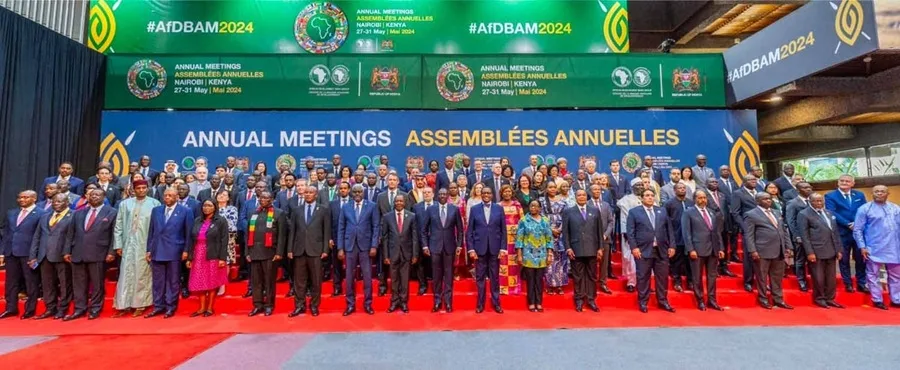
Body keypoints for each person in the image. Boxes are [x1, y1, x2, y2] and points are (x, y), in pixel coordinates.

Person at [65, 188, 117, 321]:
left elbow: (113, 235)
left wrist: (112, 252)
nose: (94, 197)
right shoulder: (78, 213)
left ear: (104, 197)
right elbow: (71, 234)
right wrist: (67, 251)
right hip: (78, 252)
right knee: (79, 284)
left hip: (99, 253)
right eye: (92, 194)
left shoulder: (111, 212)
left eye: (98, 195)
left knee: (97, 284)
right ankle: (79, 309)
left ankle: (95, 309)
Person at [112, 181, 161, 317]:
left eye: (143, 188)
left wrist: (152, 247)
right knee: (125, 274)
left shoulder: (154, 204)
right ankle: (123, 304)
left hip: (144, 244)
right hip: (128, 244)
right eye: (138, 188)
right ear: (133, 190)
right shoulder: (125, 204)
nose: (141, 190)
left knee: (142, 274)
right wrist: (118, 244)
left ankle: (140, 304)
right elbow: (119, 224)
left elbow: (156, 227)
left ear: (147, 189)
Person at [145, 188, 194, 318]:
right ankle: (158, 306)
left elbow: (188, 233)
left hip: (175, 250)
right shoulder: (156, 210)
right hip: (157, 250)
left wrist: (186, 251)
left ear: (177, 197)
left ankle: (171, 306)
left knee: (173, 281)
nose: (167, 197)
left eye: (171, 195)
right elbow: (152, 231)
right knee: (158, 281)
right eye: (166, 195)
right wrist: (149, 249)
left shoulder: (185, 211)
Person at [627, 188, 676, 313]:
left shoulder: (662, 211)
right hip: (643, 250)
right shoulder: (634, 212)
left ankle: (663, 301)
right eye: (647, 195)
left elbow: (669, 229)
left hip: (661, 250)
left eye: (651, 195)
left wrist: (672, 246)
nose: (649, 197)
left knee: (662, 277)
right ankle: (643, 302)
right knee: (643, 277)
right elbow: (630, 232)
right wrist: (634, 247)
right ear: (642, 198)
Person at [852, 185, 900, 309]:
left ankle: (896, 299)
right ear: (872, 193)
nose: (879, 193)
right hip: (873, 248)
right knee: (872, 275)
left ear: (887, 193)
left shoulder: (895, 208)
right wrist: (862, 246)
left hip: (894, 247)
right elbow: (857, 230)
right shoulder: (864, 209)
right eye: (876, 191)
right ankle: (877, 299)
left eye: (882, 191)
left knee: (896, 276)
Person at [29, 194, 75, 319]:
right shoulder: (45, 216)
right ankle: (50, 308)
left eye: (59, 201)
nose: (56, 203)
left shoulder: (74, 215)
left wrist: (68, 252)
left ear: (67, 202)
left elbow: (73, 237)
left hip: (62, 256)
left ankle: (63, 309)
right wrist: (33, 255)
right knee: (47, 284)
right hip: (44, 256)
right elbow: (37, 237)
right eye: (54, 201)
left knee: (65, 284)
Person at [744, 192, 794, 310]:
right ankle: (763, 299)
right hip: (762, 250)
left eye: (769, 198)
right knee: (762, 277)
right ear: (758, 201)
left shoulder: (776, 213)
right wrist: (752, 250)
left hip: (779, 250)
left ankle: (778, 299)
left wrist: (789, 246)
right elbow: (749, 235)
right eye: (765, 199)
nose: (768, 201)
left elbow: (783, 231)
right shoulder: (751, 214)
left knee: (777, 277)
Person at [0, 191, 45, 319]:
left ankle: (30, 309)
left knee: (31, 282)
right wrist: (2, 253)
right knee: (11, 282)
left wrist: (36, 254)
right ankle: (11, 308)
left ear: (34, 198)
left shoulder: (42, 213)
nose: (22, 199)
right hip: (11, 252)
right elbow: (6, 234)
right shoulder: (11, 212)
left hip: (29, 253)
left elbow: (40, 236)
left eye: (26, 197)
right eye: (20, 197)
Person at [288, 186, 331, 317]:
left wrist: (325, 249)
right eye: (306, 192)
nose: (308, 194)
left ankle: (314, 305)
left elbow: (326, 231)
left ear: (316, 194)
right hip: (299, 250)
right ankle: (299, 305)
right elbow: (292, 231)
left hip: (316, 250)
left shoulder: (323, 210)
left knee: (316, 280)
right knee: (299, 281)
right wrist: (290, 249)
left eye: (310, 192)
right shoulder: (296, 210)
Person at [338, 184, 380, 316]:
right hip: (349, 246)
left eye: (360, 192)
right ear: (351, 192)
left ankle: (368, 304)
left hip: (366, 246)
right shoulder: (345, 207)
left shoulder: (372, 206)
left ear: (364, 192)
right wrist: (340, 248)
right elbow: (341, 228)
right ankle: (350, 305)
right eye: (355, 191)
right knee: (349, 277)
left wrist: (374, 246)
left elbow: (376, 227)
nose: (357, 194)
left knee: (367, 277)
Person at [798, 193, 844, 309]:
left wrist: (838, 249)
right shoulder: (804, 214)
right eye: (816, 201)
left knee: (831, 277)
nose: (819, 203)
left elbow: (835, 233)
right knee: (818, 278)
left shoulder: (828, 213)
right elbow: (804, 236)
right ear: (810, 201)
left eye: (821, 201)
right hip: (816, 250)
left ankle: (830, 298)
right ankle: (820, 298)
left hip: (831, 250)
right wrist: (809, 252)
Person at [681, 189, 724, 311]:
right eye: (700, 198)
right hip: (697, 249)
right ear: (695, 199)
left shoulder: (711, 212)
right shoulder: (688, 213)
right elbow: (686, 233)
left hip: (713, 250)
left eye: (704, 197)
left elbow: (716, 232)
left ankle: (712, 300)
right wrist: (690, 249)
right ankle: (700, 300)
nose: (703, 200)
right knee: (697, 277)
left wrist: (720, 248)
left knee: (712, 277)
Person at [563, 189, 605, 312]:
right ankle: (579, 300)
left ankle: (591, 300)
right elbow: (565, 232)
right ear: (575, 197)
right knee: (578, 277)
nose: (581, 197)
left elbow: (599, 231)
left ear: (587, 197)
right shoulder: (568, 212)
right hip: (576, 249)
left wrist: (600, 248)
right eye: (579, 195)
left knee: (592, 276)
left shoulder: (595, 211)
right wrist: (568, 247)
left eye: (583, 195)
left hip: (592, 249)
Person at [246, 191, 287, 317]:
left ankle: (269, 305)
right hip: (254, 252)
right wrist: (247, 252)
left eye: (267, 197)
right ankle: (257, 305)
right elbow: (247, 234)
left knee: (269, 281)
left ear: (272, 199)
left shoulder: (279, 213)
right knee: (256, 281)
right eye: (261, 197)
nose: (263, 199)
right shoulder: (253, 213)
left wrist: (279, 252)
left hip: (270, 253)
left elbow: (282, 236)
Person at [467, 186, 507, 314]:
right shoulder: (474, 209)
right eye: (484, 193)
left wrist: (503, 248)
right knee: (480, 278)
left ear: (492, 195)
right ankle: (480, 304)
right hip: (479, 250)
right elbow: (470, 232)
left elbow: (503, 231)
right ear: (481, 194)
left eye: (488, 192)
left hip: (495, 249)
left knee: (495, 278)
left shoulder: (499, 209)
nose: (486, 194)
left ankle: (496, 303)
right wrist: (471, 249)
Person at [825, 174, 868, 293]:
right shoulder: (830, 195)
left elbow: (864, 210)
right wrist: (848, 224)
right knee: (843, 259)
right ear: (838, 182)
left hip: (859, 232)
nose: (844, 182)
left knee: (861, 258)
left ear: (852, 183)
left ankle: (861, 283)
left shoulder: (859, 195)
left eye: (847, 181)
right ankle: (848, 283)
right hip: (842, 232)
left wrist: (858, 224)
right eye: (842, 180)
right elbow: (831, 212)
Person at [423, 188, 464, 313]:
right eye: (440, 194)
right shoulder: (430, 209)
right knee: (436, 276)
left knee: (448, 275)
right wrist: (425, 245)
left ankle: (447, 301)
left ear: (448, 196)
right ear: (437, 195)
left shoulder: (454, 209)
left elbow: (460, 230)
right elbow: (423, 230)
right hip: (434, 247)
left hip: (450, 247)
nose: (442, 196)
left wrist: (459, 245)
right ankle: (437, 301)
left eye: (444, 194)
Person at [186, 199, 229, 317]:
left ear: (215, 207)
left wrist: (222, 258)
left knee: (211, 281)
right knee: (199, 281)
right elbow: (191, 240)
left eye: (209, 206)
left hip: (213, 254)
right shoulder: (197, 220)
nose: (206, 208)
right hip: (198, 254)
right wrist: (190, 258)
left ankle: (209, 308)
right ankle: (201, 307)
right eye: (204, 205)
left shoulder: (221, 221)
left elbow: (224, 240)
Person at [380, 194, 419, 313]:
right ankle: (394, 301)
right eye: (397, 201)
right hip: (392, 253)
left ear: (405, 202)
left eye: (401, 201)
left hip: (407, 253)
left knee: (405, 279)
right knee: (394, 279)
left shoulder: (412, 216)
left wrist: (415, 254)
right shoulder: (387, 217)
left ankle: (403, 302)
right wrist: (386, 255)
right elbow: (385, 238)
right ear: (394, 202)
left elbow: (414, 237)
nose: (399, 203)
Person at [516, 199, 554, 312]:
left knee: (539, 280)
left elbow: (549, 238)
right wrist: (519, 254)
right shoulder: (523, 220)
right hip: (528, 255)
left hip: (542, 255)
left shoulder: (545, 221)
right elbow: (519, 239)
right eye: (531, 206)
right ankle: (531, 302)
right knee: (530, 280)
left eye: (536, 206)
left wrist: (549, 253)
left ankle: (539, 302)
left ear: (540, 208)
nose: (533, 208)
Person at [375, 174, 410, 296]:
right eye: (390, 179)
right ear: (386, 181)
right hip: (385, 234)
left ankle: (400, 287)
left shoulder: (405, 195)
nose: (392, 181)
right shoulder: (380, 196)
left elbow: (408, 215)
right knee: (384, 260)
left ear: (398, 181)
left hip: (400, 234)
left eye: (394, 180)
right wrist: (378, 234)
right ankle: (383, 285)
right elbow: (377, 216)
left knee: (400, 262)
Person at [731, 174, 760, 292]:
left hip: (762, 229)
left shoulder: (759, 193)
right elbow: (735, 213)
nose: (754, 181)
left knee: (762, 258)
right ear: (744, 181)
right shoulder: (738, 193)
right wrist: (744, 227)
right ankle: (748, 281)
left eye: (755, 180)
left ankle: (761, 282)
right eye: (751, 180)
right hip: (748, 229)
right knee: (749, 257)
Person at [663, 182, 694, 293]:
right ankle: (677, 281)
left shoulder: (691, 203)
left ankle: (691, 282)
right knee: (676, 261)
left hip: (690, 238)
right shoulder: (669, 204)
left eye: (683, 188)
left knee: (690, 262)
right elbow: (665, 221)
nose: (682, 189)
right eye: (679, 188)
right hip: (676, 236)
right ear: (675, 191)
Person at [785, 182, 813, 292]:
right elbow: (791, 221)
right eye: (805, 188)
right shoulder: (793, 203)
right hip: (800, 236)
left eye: (809, 187)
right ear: (798, 190)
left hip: (814, 235)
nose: (808, 189)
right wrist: (797, 236)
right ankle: (801, 280)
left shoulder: (813, 201)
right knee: (800, 259)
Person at [542, 180, 569, 295]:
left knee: (561, 260)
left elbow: (566, 216)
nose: (552, 189)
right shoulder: (542, 201)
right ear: (546, 189)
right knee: (549, 260)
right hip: (547, 232)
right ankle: (550, 284)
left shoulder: (563, 202)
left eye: (554, 187)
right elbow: (541, 217)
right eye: (550, 187)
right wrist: (551, 229)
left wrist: (560, 229)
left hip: (561, 233)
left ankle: (559, 285)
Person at [617, 180, 644, 292]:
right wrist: (626, 232)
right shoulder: (625, 200)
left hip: (645, 234)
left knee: (646, 259)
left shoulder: (647, 197)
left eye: (642, 185)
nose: (640, 187)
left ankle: (644, 283)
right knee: (631, 259)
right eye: (637, 185)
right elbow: (624, 219)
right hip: (631, 233)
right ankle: (631, 282)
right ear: (632, 187)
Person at [587, 184, 615, 294]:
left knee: (604, 263)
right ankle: (591, 283)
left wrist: (606, 234)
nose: (597, 191)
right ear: (590, 191)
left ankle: (603, 282)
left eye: (599, 189)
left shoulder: (606, 205)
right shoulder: (586, 204)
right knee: (592, 262)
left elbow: (611, 222)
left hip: (605, 238)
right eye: (594, 189)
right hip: (591, 239)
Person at [498, 185, 523, 295]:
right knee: (502, 264)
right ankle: (502, 288)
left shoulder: (517, 205)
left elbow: (522, 222)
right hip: (502, 239)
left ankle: (514, 288)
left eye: (509, 191)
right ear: (501, 193)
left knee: (514, 264)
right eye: (505, 191)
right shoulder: (497, 206)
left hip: (515, 239)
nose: (507, 193)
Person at [328, 182, 351, 297]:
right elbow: (328, 222)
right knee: (336, 265)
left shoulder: (353, 203)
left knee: (351, 265)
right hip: (336, 238)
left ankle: (350, 288)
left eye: (345, 188)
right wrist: (329, 238)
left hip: (351, 238)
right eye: (341, 188)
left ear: (349, 190)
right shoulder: (332, 204)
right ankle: (337, 287)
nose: (343, 190)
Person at [411, 187, 435, 296]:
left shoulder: (438, 205)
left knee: (435, 264)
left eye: (429, 192)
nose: (426, 194)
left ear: (433, 194)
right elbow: (414, 225)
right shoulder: (416, 207)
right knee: (420, 264)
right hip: (420, 239)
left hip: (435, 239)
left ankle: (436, 285)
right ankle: (422, 285)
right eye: (424, 192)